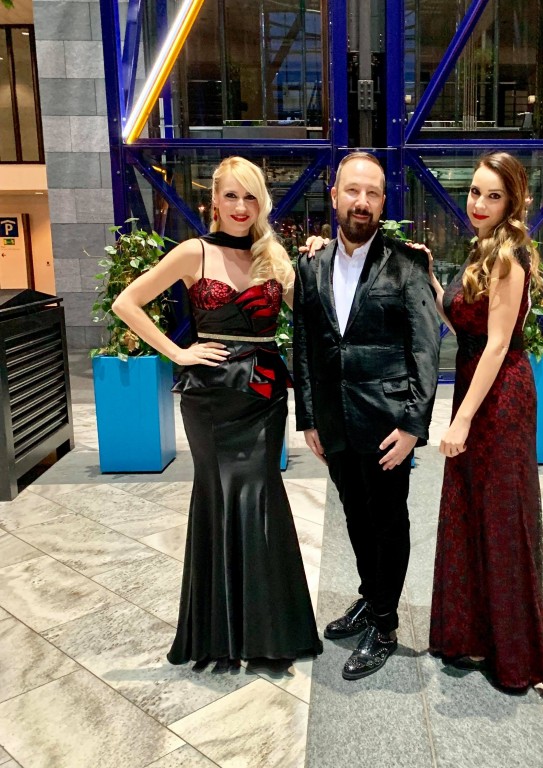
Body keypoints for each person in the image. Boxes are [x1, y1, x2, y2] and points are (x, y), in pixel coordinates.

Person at [112, 156, 322, 670]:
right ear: (214, 201)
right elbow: (127, 303)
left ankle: (268, 631)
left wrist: (318, 261)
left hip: (263, 394)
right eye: (231, 195)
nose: (241, 206)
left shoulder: (275, 256)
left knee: (261, 495)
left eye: (250, 196)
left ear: (261, 203)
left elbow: (316, 314)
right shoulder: (193, 252)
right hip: (210, 396)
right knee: (217, 496)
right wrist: (178, 352)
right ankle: (221, 634)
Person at [293, 152, 440, 680]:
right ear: (334, 196)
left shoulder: (407, 265)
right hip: (335, 423)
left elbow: (425, 349)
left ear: (383, 201)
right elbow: (305, 345)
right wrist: (308, 417)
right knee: (355, 517)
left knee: (388, 522)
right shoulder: (309, 264)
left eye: (372, 193)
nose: (362, 201)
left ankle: (385, 624)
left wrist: (413, 425)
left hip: (387, 426)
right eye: (352, 191)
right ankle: (371, 596)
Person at [427, 152, 543, 690]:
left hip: (501, 395)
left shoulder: (507, 256)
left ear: (513, 202)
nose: (479, 204)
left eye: (493, 196)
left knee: (501, 513)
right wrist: (432, 283)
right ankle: (473, 635)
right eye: (475, 192)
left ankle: (514, 656)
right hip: (477, 383)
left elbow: (499, 343)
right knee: (472, 508)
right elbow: (465, 325)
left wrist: (461, 420)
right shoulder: (481, 249)